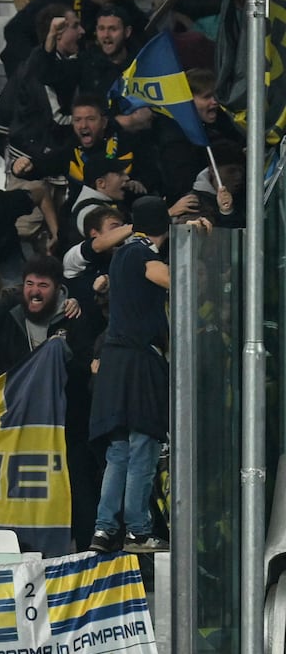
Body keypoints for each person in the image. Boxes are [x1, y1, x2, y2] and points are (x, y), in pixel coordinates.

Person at [89, 197, 186, 554]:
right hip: (137, 362)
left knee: (119, 451)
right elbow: (174, 278)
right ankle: (138, 531)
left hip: (115, 363)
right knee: (142, 445)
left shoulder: (122, 254)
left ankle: (103, 529)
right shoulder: (141, 255)